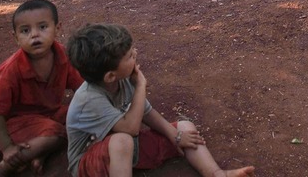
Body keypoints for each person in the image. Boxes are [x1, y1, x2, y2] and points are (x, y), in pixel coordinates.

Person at [65, 24, 255, 177]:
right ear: (110, 76)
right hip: (90, 162)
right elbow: (130, 128)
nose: (136, 54)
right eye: (130, 56)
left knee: (184, 127)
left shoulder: (123, 79)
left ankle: (216, 174)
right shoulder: (89, 100)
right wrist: (140, 86)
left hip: (126, 151)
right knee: (122, 140)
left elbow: (147, 113)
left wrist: (176, 136)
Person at [0, 0, 83, 177]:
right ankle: (1, 169)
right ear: (16, 38)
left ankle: (40, 153)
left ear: (57, 28)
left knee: (81, 119)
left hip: (51, 114)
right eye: (25, 31)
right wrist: (7, 148)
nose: (34, 35)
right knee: (57, 134)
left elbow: (82, 89)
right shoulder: (11, 70)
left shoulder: (63, 56)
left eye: (42, 27)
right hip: (19, 121)